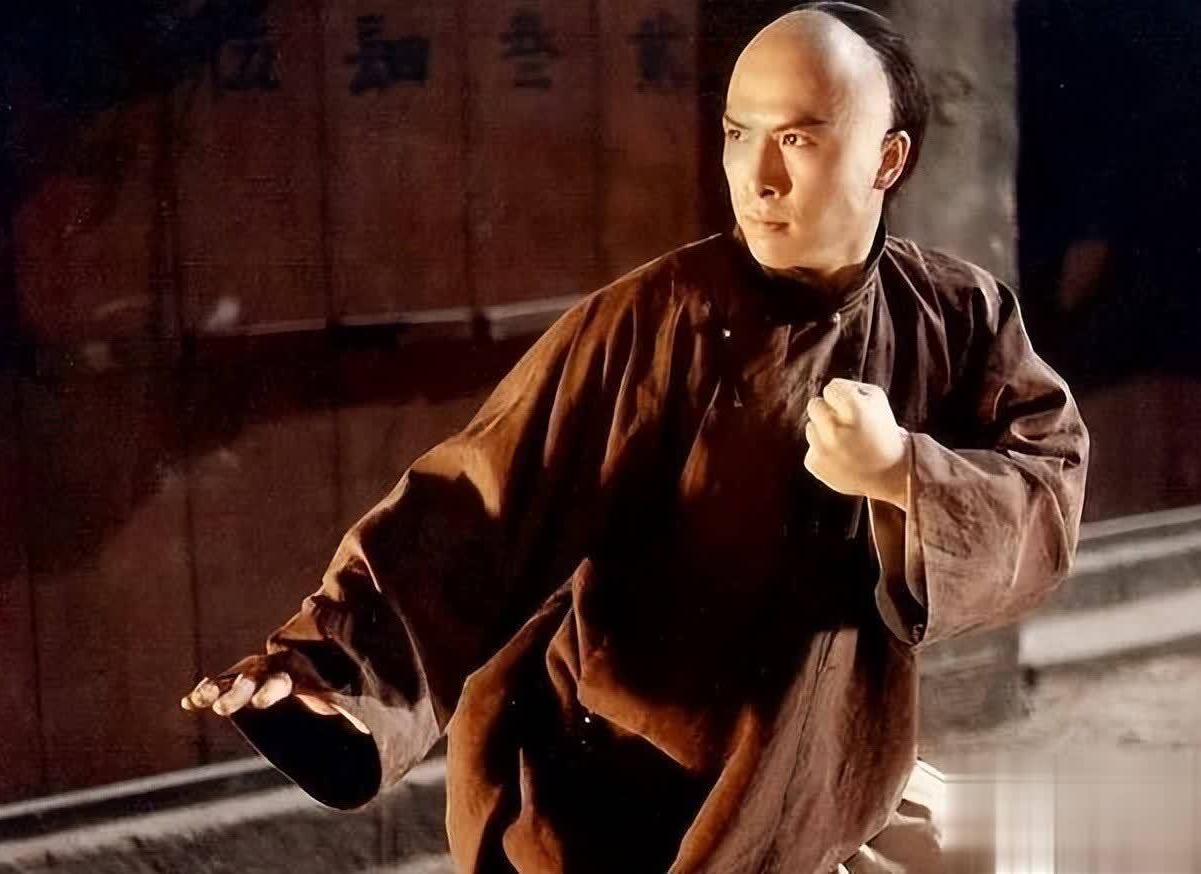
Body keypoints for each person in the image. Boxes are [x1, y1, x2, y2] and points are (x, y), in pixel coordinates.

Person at [181, 3, 1089, 871]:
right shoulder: (648, 325)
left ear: (887, 158)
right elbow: (475, 506)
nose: (758, 178)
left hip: (827, 785)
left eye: (798, 140)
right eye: (738, 133)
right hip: (620, 802)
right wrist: (334, 668)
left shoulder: (956, 315)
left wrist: (901, 472)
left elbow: (1046, 480)